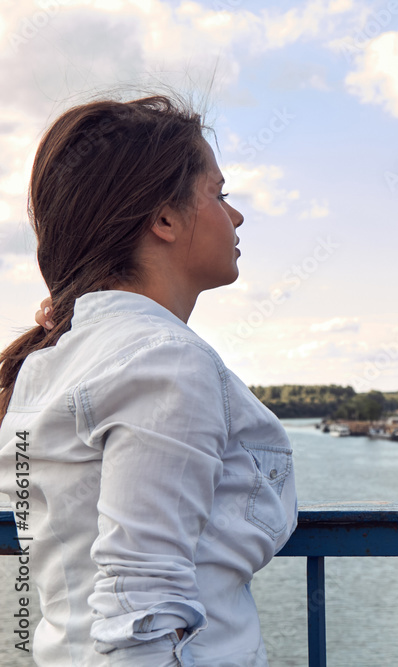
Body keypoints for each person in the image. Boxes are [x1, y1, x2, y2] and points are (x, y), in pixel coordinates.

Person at [0, 95, 298, 666]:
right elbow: (142, 609)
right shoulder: (167, 363)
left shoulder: (51, 363)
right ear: (163, 219)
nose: (236, 216)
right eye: (220, 194)